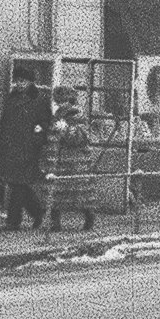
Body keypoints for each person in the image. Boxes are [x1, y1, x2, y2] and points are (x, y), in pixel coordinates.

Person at [0, 68, 52, 231]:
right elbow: (4, 121)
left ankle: (13, 221)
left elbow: (45, 123)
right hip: (11, 147)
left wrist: (37, 139)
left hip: (28, 148)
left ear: (30, 82)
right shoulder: (11, 99)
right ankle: (37, 212)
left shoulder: (39, 100)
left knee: (18, 184)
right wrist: (1, 139)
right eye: (18, 81)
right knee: (17, 184)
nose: (20, 84)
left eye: (23, 81)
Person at [43, 85, 97, 232]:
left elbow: (82, 138)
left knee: (80, 194)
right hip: (59, 161)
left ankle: (89, 218)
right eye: (58, 101)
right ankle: (55, 223)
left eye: (62, 101)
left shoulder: (77, 115)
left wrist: (65, 129)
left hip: (75, 162)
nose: (59, 104)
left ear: (70, 100)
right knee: (55, 193)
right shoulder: (57, 116)